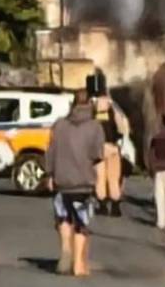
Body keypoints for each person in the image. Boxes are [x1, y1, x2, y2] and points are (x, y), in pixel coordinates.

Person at [46, 89, 104, 277]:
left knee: (63, 218)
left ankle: (65, 249)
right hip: (83, 183)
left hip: (61, 181)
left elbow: (50, 151)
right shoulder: (95, 127)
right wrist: (101, 183)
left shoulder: (59, 125)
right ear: (90, 104)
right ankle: (79, 263)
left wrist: (49, 175)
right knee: (81, 224)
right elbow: (98, 158)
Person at [93, 95, 122, 217]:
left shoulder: (94, 115)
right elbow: (121, 129)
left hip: (99, 148)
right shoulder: (112, 114)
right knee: (114, 177)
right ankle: (115, 206)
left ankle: (102, 205)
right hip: (113, 147)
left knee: (100, 178)